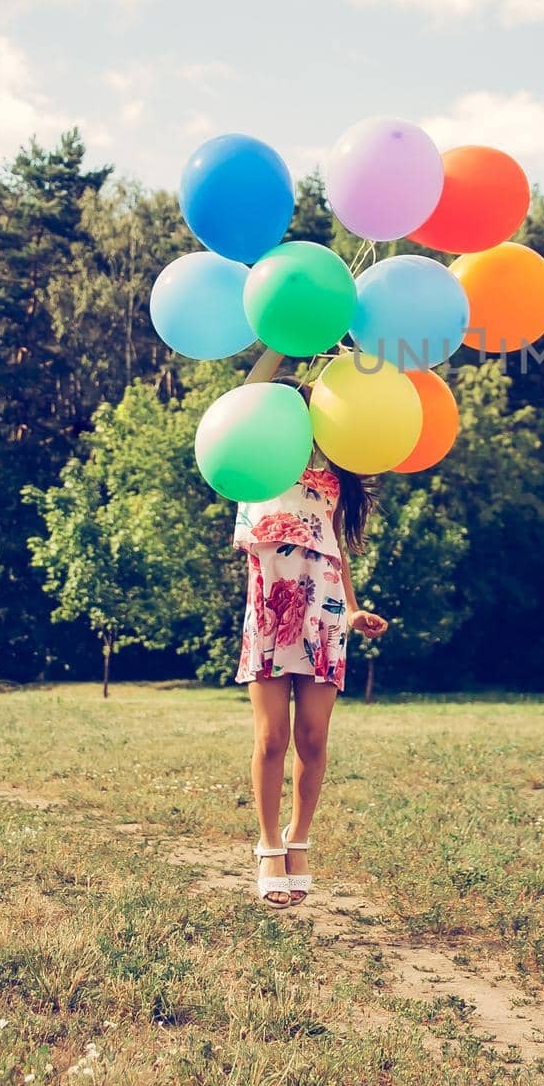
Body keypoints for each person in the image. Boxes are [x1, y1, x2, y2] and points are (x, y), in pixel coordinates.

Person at [233, 382, 388, 908]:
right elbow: (253, 389)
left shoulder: (331, 471)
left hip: (324, 611)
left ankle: (299, 838)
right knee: (272, 737)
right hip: (271, 611)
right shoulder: (252, 466)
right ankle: (268, 844)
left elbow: (333, 548)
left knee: (314, 737)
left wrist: (356, 606)